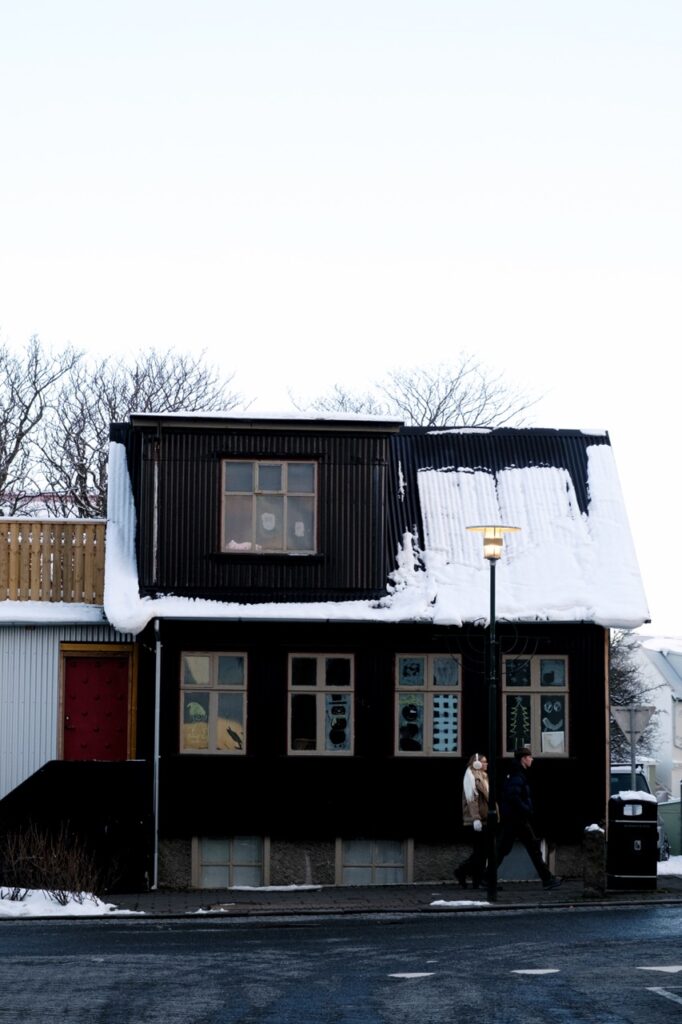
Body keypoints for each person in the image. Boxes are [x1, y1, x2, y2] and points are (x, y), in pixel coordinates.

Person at [496, 746, 562, 890]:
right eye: (530, 757)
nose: (532, 759)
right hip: (517, 819)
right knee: (532, 848)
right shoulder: (517, 775)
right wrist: (526, 809)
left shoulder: (515, 773)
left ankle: (486, 878)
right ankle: (547, 879)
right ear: (523, 759)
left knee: (503, 849)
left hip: (514, 819)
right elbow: (513, 796)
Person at [454, 753, 489, 889]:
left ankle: (476, 880)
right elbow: (472, 800)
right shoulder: (471, 777)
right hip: (477, 820)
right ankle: (462, 871)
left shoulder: (482, 776)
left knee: (481, 851)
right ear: (476, 763)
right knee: (481, 851)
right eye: (484, 762)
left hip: (483, 818)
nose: (486, 764)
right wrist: (476, 819)